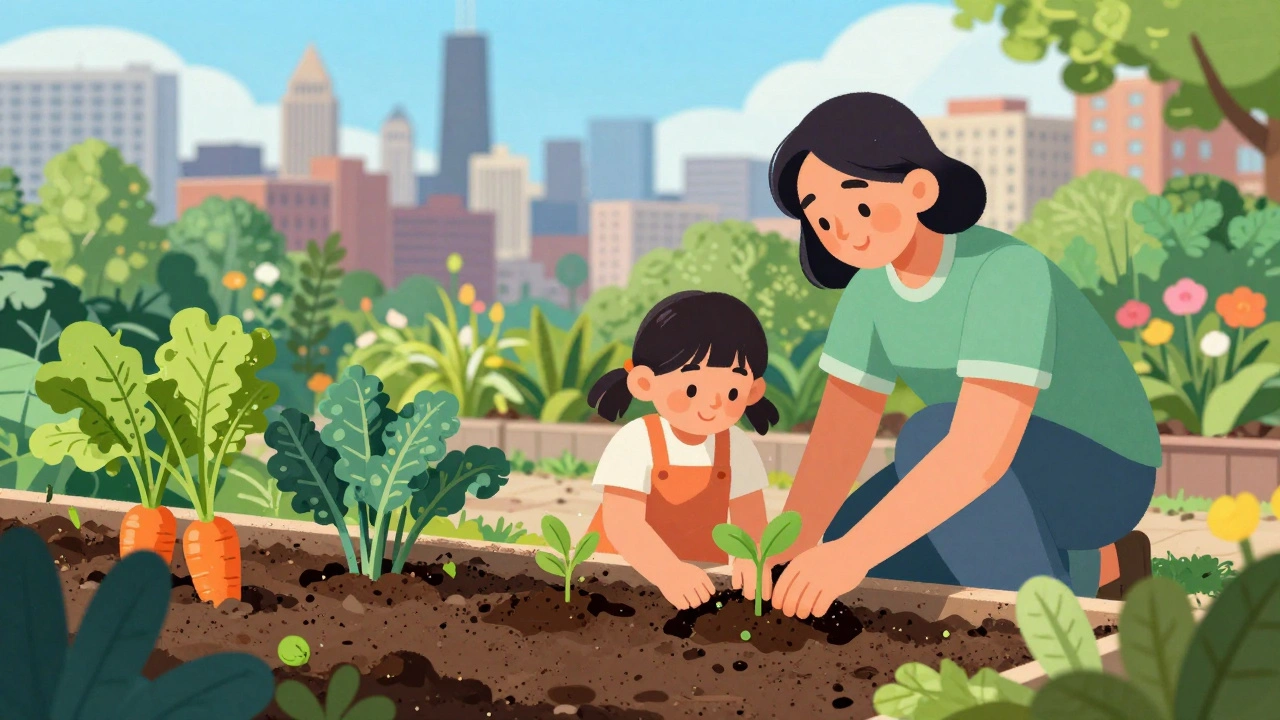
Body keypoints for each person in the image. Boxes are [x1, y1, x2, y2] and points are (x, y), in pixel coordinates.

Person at [763, 92, 1158, 620]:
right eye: (824, 222)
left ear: (919, 188)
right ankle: (1107, 566)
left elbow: (978, 450)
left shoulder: (1005, 271)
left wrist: (851, 556)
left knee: (925, 444)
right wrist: (787, 552)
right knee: (844, 542)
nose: (845, 231)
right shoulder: (868, 293)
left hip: (1100, 470)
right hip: (988, 461)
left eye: (857, 204)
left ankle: (1052, 621)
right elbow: (839, 438)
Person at [585, 291, 780, 610]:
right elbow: (622, 524)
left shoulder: (737, 446)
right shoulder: (636, 441)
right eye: (692, 388)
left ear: (752, 391)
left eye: (732, 391)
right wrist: (669, 572)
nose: (714, 403)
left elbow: (751, 522)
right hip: (618, 581)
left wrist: (750, 558)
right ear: (645, 383)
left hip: (698, 581)